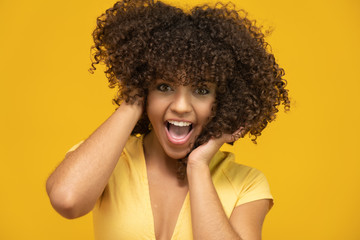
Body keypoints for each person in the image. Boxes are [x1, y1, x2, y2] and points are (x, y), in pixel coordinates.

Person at [46, 0, 290, 239]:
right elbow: (67, 200)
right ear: (144, 90)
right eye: (164, 86)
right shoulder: (109, 159)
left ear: (224, 100)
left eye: (202, 90)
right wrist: (133, 101)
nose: (181, 106)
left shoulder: (246, 184)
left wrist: (198, 166)